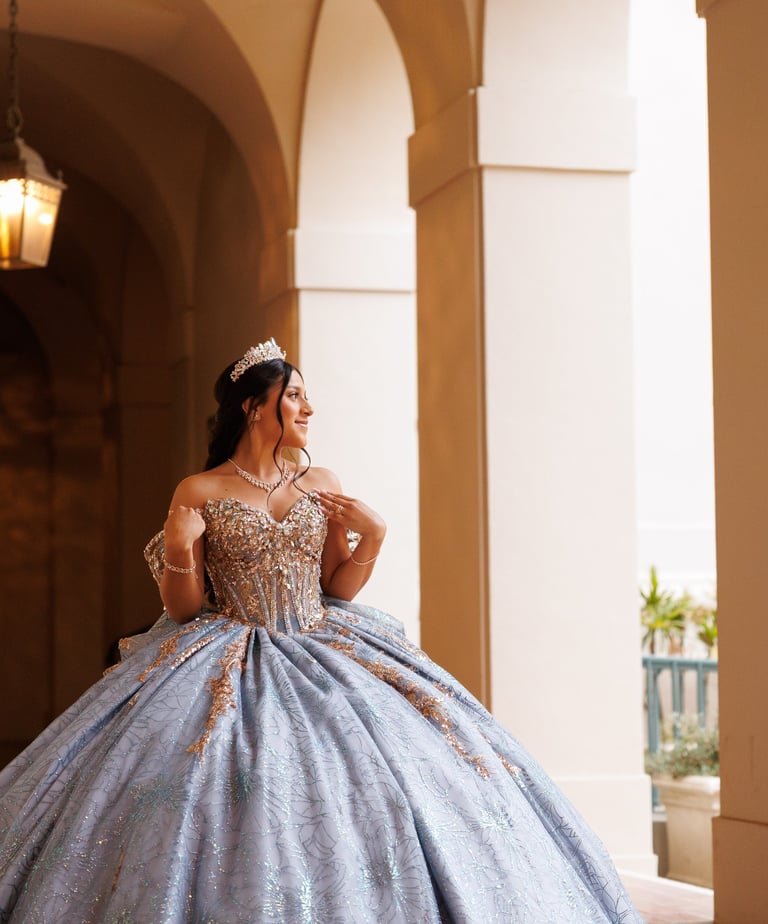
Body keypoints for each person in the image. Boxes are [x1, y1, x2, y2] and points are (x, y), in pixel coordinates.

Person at [0, 339, 644, 923]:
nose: (309, 408)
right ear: (255, 407)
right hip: (227, 647)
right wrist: (177, 546)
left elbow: (336, 587)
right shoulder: (198, 489)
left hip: (323, 639)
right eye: (295, 396)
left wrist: (375, 537)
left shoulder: (322, 482)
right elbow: (185, 608)